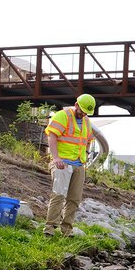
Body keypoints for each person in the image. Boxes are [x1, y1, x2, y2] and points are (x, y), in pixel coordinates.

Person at [43, 94, 96, 236]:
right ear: (76, 105)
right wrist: (56, 158)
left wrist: (86, 152)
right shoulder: (63, 116)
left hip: (79, 164)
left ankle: (67, 229)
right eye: (82, 110)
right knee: (58, 195)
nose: (83, 114)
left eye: (86, 112)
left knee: (74, 199)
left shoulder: (86, 121)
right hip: (62, 163)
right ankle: (49, 229)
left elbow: (88, 139)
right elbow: (52, 136)